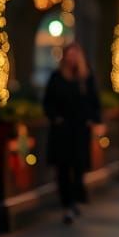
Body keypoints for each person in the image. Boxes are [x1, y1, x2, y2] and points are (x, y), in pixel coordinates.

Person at [43, 42, 101, 225]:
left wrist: (94, 120)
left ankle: (75, 199)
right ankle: (67, 204)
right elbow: (48, 101)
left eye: (76, 54)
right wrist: (55, 117)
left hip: (80, 130)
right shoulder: (57, 77)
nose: (73, 58)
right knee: (62, 168)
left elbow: (94, 101)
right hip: (62, 130)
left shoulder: (86, 78)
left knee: (79, 166)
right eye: (70, 54)